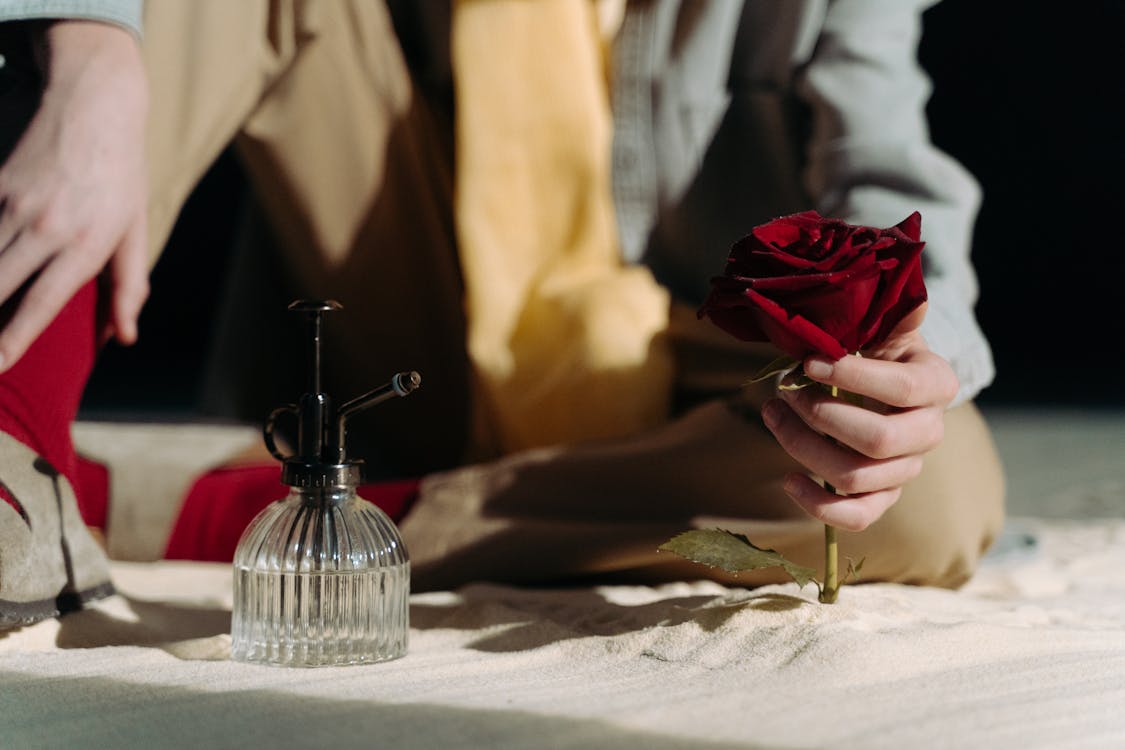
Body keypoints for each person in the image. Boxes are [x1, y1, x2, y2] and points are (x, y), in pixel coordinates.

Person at [0, 0, 1003, 626]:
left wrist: (911, 355)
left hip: (696, 380)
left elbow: (882, 167)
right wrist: (90, 45)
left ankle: (293, 515)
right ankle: (13, 444)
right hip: (418, 306)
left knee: (930, 493)